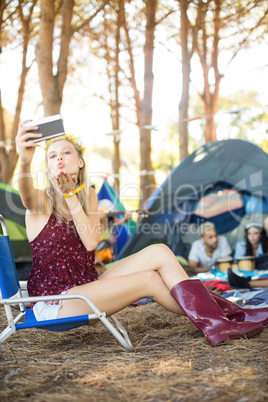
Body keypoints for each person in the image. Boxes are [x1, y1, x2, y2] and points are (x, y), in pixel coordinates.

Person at [15, 121, 267, 348]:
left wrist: (72, 195)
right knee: (148, 279)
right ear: (47, 166)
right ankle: (219, 322)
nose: (59, 158)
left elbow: (89, 240)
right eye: (52, 156)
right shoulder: (41, 201)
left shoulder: (88, 195)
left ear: (79, 161)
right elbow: (26, 193)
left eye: (66, 152)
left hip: (87, 285)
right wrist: (25, 161)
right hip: (55, 302)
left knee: (159, 251)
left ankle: (225, 318)